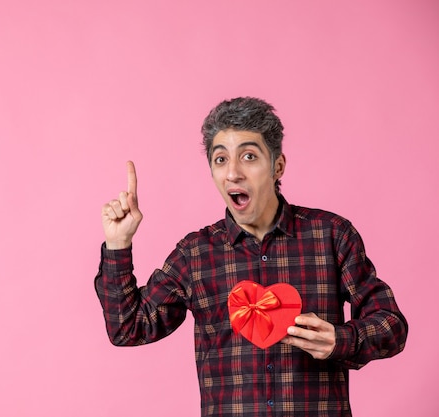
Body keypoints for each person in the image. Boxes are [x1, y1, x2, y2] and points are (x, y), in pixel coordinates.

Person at [94, 97, 407, 417]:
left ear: (278, 166)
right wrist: (118, 244)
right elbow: (127, 329)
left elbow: (391, 326)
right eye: (220, 159)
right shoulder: (195, 254)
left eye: (248, 156)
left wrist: (340, 340)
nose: (233, 173)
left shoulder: (332, 236)